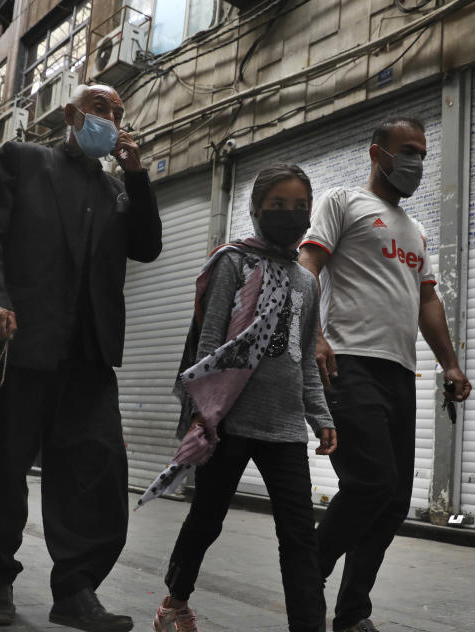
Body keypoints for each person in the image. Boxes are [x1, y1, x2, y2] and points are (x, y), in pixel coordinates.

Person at [0, 83, 161, 631]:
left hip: (88, 356)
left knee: (95, 471)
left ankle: (76, 590)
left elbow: (146, 246)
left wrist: (138, 174)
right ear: (71, 114)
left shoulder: (118, 190)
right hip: (18, 344)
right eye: (101, 109)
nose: (111, 120)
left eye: (118, 114)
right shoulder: (23, 161)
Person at [298, 117, 471, 632]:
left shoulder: (415, 230)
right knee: (370, 482)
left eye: (422, 151)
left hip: (400, 372)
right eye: (408, 151)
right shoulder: (343, 202)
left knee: (393, 501)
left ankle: (353, 613)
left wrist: (451, 363)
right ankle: (306, 576)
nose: (417, 162)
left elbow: (427, 300)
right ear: (379, 153)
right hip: (347, 362)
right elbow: (307, 267)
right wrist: (313, 336)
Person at [151, 164, 336, 632]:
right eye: (277, 207)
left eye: (299, 208)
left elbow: (303, 357)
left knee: (298, 536)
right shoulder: (233, 262)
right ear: (255, 210)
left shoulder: (307, 282)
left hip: (285, 426)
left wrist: (321, 415)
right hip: (228, 423)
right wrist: (201, 415)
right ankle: (174, 602)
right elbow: (210, 342)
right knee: (206, 519)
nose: (289, 216)